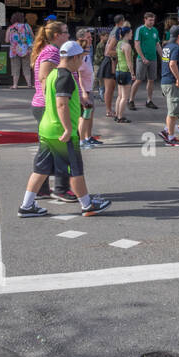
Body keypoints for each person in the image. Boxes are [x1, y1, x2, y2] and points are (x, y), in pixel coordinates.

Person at [17, 40, 111, 219]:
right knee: (75, 170)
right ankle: (87, 205)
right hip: (61, 131)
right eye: (81, 59)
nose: (81, 62)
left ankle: (27, 205)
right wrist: (68, 129)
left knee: (41, 169)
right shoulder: (66, 77)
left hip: (47, 128)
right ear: (74, 57)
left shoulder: (53, 74)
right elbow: (61, 104)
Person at [30, 20, 71, 199]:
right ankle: (61, 189)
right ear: (57, 35)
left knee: (48, 148)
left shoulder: (53, 51)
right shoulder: (52, 52)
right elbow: (44, 77)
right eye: (66, 32)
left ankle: (43, 188)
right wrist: (56, 102)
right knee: (60, 146)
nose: (68, 35)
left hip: (44, 105)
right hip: (47, 106)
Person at [158, 26, 179, 147]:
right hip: (172, 82)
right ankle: (171, 138)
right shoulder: (176, 48)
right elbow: (172, 64)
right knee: (174, 111)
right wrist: (178, 79)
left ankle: (166, 131)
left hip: (165, 81)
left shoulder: (166, 47)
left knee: (173, 109)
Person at [74, 27, 100, 147]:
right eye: (88, 37)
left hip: (89, 88)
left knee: (90, 114)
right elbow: (78, 74)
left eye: (91, 37)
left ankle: (88, 137)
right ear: (81, 39)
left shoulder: (87, 52)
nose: (91, 39)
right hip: (84, 90)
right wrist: (83, 92)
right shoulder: (79, 54)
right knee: (84, 116)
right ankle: (82, 139)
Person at [133, 12, 161, 109]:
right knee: (139, 80)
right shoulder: (140, 29)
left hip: (153, 58)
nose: (152, 22)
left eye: (153, 20)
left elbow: (157, 45)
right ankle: (131, 100)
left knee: (151, 80)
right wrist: (143, 57)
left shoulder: (155, 30)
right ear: (145, 19)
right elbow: (136, 44)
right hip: (142, 59)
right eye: (150, 20)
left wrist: (164, 58)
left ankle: (149, 100)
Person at [99, 14, 123, 118]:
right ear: (121, 21)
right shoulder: (117, 32)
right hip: (109, 62)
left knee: (112, 88)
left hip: (112, 62)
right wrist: (122, 53)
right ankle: (108, 110)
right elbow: (108, 51)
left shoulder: (115, 30)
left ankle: (109, 109)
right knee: (109, 89)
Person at [112, 25, 134, 122]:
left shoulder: (119, 43)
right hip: (125, 71)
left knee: (120, 96)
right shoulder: (127, 46)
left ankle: (117, 115)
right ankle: (120, 117)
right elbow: (129, 61)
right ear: (127, 34)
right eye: (131, 33)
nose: (132, 35)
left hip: (119, 70)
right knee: (125, 97)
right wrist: (132, 73)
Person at [6, 12, 34, 89]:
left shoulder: (10, 28)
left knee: (15, 68)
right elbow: (32, 36)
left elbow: (7, 40)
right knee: (26, 67)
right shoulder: (27, 26)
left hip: (14, 50)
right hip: (26, 50)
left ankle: (15, 85)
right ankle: (29, 84)